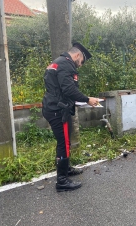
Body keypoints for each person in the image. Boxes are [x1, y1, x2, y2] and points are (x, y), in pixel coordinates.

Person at [42, 42, 100, 192]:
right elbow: (68, 89)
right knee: (64, 144)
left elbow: (59, 90)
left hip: (53, 106)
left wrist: (81, 100)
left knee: (63, 141)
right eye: (81, 62)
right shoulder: (67, 65)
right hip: (58, 110)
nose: (80, 65)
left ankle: (66, 169)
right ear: (77, 55)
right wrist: (87, 99)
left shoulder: (57, 63)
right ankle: (62, 181)